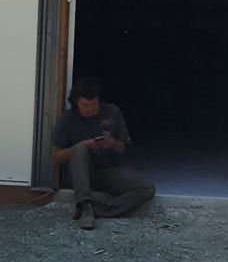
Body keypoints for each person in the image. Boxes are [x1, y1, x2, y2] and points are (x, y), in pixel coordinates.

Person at [50, 76, 155, 230]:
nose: (90, 109)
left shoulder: (112, 112)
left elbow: (125, 147)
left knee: (146, 187)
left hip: (105, 171)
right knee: (80, 150)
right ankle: (85, 207)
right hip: (77, 173)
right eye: (85, 105)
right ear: (75, 102)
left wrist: (112, 143)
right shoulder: (67, 118)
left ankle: (99, 208)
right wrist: (81, 146)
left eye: (94, 104)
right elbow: (54, 156)